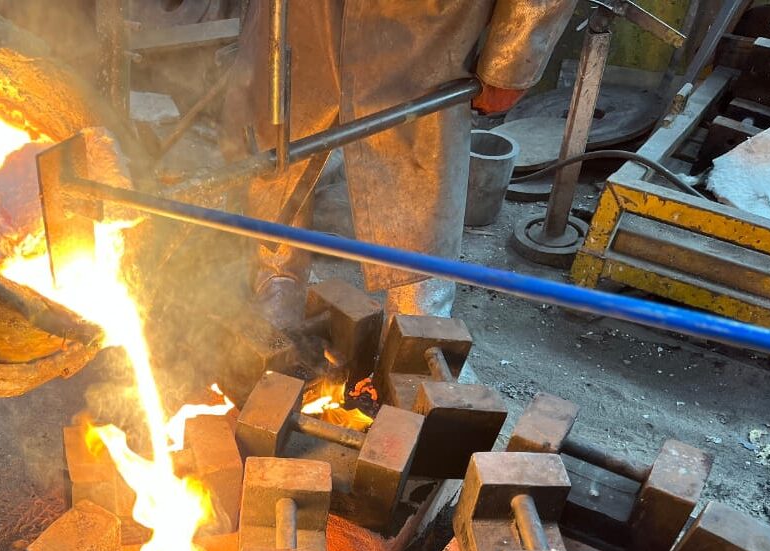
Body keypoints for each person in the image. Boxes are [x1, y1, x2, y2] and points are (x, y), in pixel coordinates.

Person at [220, 0, 578, 323]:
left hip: (427, 26)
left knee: (422, 164)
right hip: (297, 15)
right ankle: (277, 275)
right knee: (278, 137)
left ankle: (419, 317)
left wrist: (513, 59)